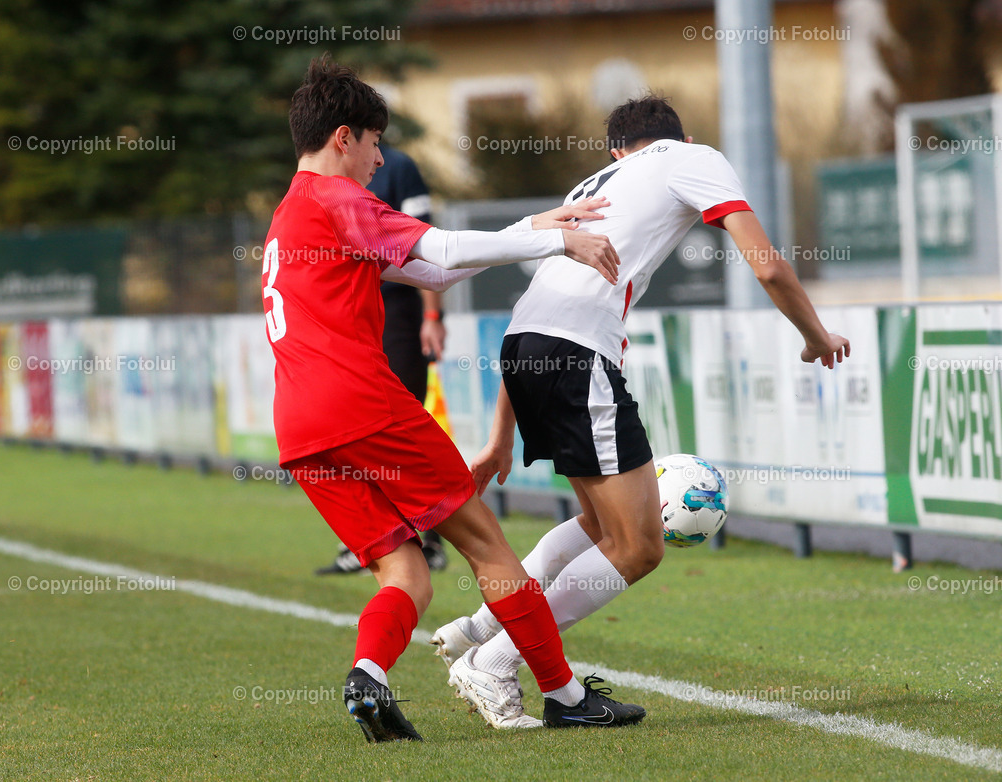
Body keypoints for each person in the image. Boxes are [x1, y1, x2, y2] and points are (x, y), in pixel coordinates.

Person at [432, 95, 851, 729]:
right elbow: (766, 266)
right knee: (639, 544)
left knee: (601, 526)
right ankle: (495, 660)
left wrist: (497, 441)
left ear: (615, 152)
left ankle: (484, 624)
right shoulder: (693, 157)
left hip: (527, 348)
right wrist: (815, 335)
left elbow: (533, 314)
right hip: (574, 353)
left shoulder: (595, 183)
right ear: (674, 140)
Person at [263, 56, 644, 743]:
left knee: (404, 570)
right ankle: (563, 693)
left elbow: (432, 266)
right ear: (344, 137)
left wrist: (534, 225)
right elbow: (440, 244)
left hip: (298, 424)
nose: (382, 160)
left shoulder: (291, 214)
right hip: (361, 406)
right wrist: (559, 238)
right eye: (376, 142)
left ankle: (370, 676)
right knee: (487, 546)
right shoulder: (337, 199)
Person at [316, 144, 449, 574]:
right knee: (357, 426)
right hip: (351, 311)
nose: (374, 155)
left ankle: (429, 539)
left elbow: (426, 242)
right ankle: (375, 540)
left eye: (376, 139)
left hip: (397, 311)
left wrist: (432, 315)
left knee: (404, 421)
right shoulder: (324, 179)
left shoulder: (400, 166)